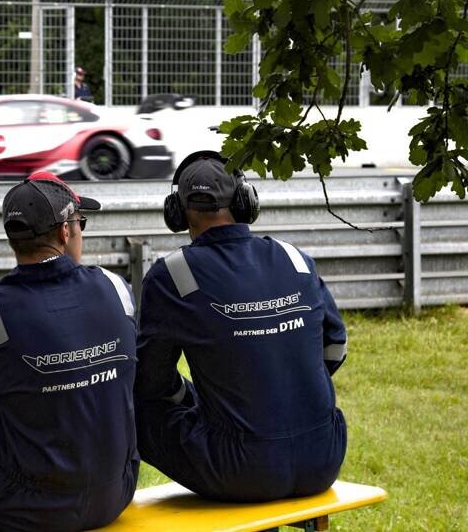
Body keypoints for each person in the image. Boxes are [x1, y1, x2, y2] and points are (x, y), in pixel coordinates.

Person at [0, 172, 139, 532]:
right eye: (80, 223)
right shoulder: (117, 288)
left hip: (32, 504)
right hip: (117, 491)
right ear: (65, 232)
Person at [134, 151, 348, 503]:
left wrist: (189, 399)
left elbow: (151, 382)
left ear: (176, 211)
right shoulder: (293, 258)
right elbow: (335, 347)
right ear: (246, 202)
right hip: (324, 458)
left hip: (240, 471)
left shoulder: (174, 274)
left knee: (131, 403)